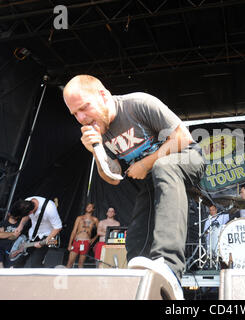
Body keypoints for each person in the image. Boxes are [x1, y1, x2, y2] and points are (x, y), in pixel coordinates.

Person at [63, 74, 205, 299]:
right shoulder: (100, 133)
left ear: (103, 95)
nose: (81, 118)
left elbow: (182, 137)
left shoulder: (137, 104)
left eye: (84, 108)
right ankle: (142, 281)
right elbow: (112, 177)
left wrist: (145, 163)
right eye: (75, 114)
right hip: (154, 175)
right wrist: (96, 152)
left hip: (187, 158)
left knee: (163, 167)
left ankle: (170, 267)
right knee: (138, 232)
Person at [10, 197, 62, 267]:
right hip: (32, 235)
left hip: (46, 236)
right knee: (18, 262)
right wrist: (20, 226)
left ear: (31, 212)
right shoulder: (27, 201)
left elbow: (58, 227)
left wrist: (44, 241)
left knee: (36, 264)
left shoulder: (50, 208)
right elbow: (26, 216)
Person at [66, 203, 99, 268]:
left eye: (90, 207)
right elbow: (73, 231)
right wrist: (70, 244)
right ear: (85, 208)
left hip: (86, 242)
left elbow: (99, 231)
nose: (89, 208)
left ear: (93, 209)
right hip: (77, 241)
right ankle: (65, 278)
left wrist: (93, 239)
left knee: (81, 264)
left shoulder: (95, 219)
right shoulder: (79, 218)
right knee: (70, 263)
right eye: (88, 206)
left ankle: (79, 278)